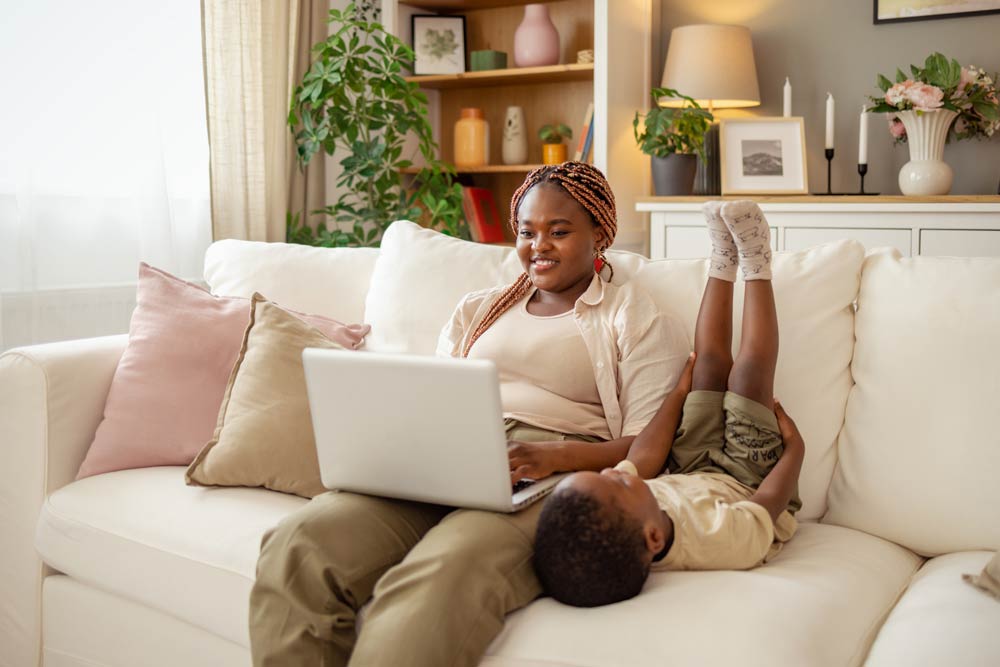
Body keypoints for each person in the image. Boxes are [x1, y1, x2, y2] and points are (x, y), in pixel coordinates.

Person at [249, 162, 690, 666]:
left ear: (600, 234)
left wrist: (554, 456)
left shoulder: (635, 317)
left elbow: (645, 451)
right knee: (299, 545)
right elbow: (436, 393)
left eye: (559, 231)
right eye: (527, 232)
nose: (539, 245)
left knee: (440, 575)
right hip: (447, 456)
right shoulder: (478, 310)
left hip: (550, 475)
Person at [533, 200, 804, 608]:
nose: (613, 472)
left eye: (605, 474)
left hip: (690, 463)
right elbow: (768, 505)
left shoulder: (629, 514)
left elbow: (644, 453)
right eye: (615, 481)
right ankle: (756, 260)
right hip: (749, 480)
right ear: (654, 538)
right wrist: (796, 450)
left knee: (707, 367)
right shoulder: (720, 540)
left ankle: (722, 260)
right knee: (748, 375)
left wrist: (679, 394)